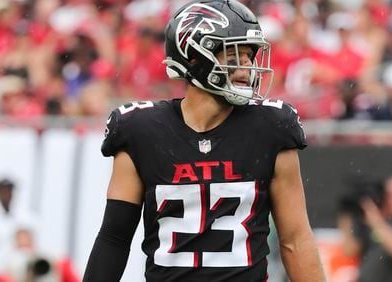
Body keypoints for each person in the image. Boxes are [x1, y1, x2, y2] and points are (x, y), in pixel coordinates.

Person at [83, 1, 325, 281]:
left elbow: (295, 239)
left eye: (249, 55)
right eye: (236, 54)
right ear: (194, 56)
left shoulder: (271, 128)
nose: (247, 66)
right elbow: (114, 238)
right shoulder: (141, 131)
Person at [338, 176, 392, 282]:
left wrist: (374, 219)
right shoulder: (365, 223)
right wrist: (346, 217)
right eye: (391, 195)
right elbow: (349, 250)